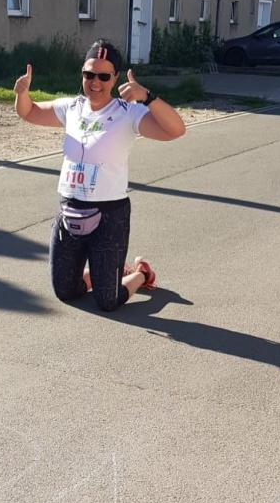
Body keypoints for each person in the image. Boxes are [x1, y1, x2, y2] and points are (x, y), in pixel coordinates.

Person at [14, 39, 186, 312]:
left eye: (104, 76)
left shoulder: (128, 113)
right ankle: (106, 273)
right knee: (65, 291)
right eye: (89, 74)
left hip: (109, 215)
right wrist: (22, 93)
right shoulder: (72, 108)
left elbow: (175, 130)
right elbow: (29, 112)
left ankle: (141, 274)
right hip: (70, 208)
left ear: (115, 77)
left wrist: (148, 97)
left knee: (108, 301)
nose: (95, 82)